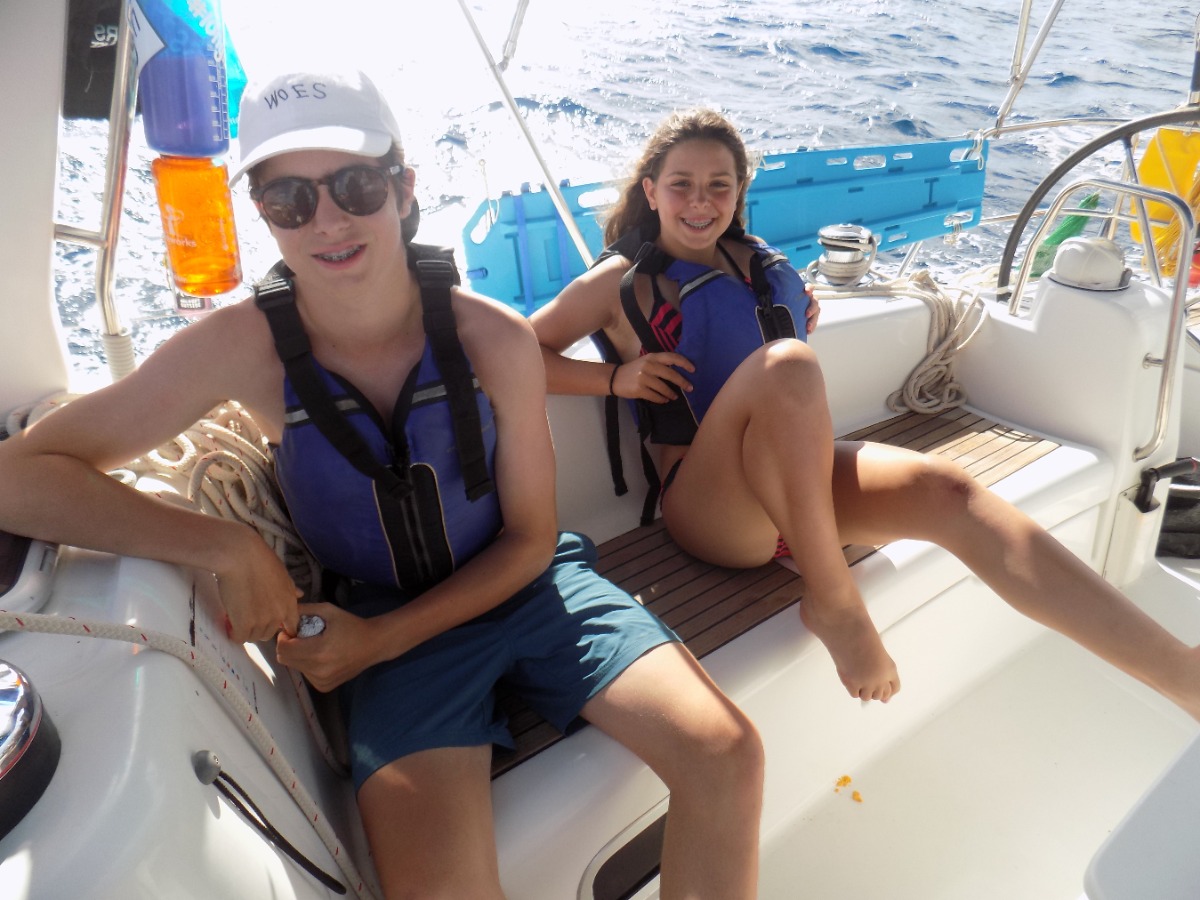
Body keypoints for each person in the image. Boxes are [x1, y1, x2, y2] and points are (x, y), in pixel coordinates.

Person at [0, 74, 763, 898]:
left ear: (403, 190)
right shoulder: (237, 349)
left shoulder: (494, 338)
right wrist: (224, 546)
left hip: (529, 588)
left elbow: (531, 541)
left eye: (356, 187)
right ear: (262, 212)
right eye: (290, 200)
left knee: (726, 754)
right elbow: (20, 478)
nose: (328, 221)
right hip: (374, 614)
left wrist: (382, 642)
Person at [529, 107, 1200, 719]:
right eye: (681, 185)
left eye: (719, 185)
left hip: (794, 491)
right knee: (788, 364)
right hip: (711, 512)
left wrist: (789, 311)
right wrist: (614, 378)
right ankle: (835, 603)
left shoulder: (754, 263)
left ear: (739, 192)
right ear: (651, 192)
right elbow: (518, 352)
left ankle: (1180, 673)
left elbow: (757, 355)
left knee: (948, 491)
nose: (700, 201)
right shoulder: (616, 282)